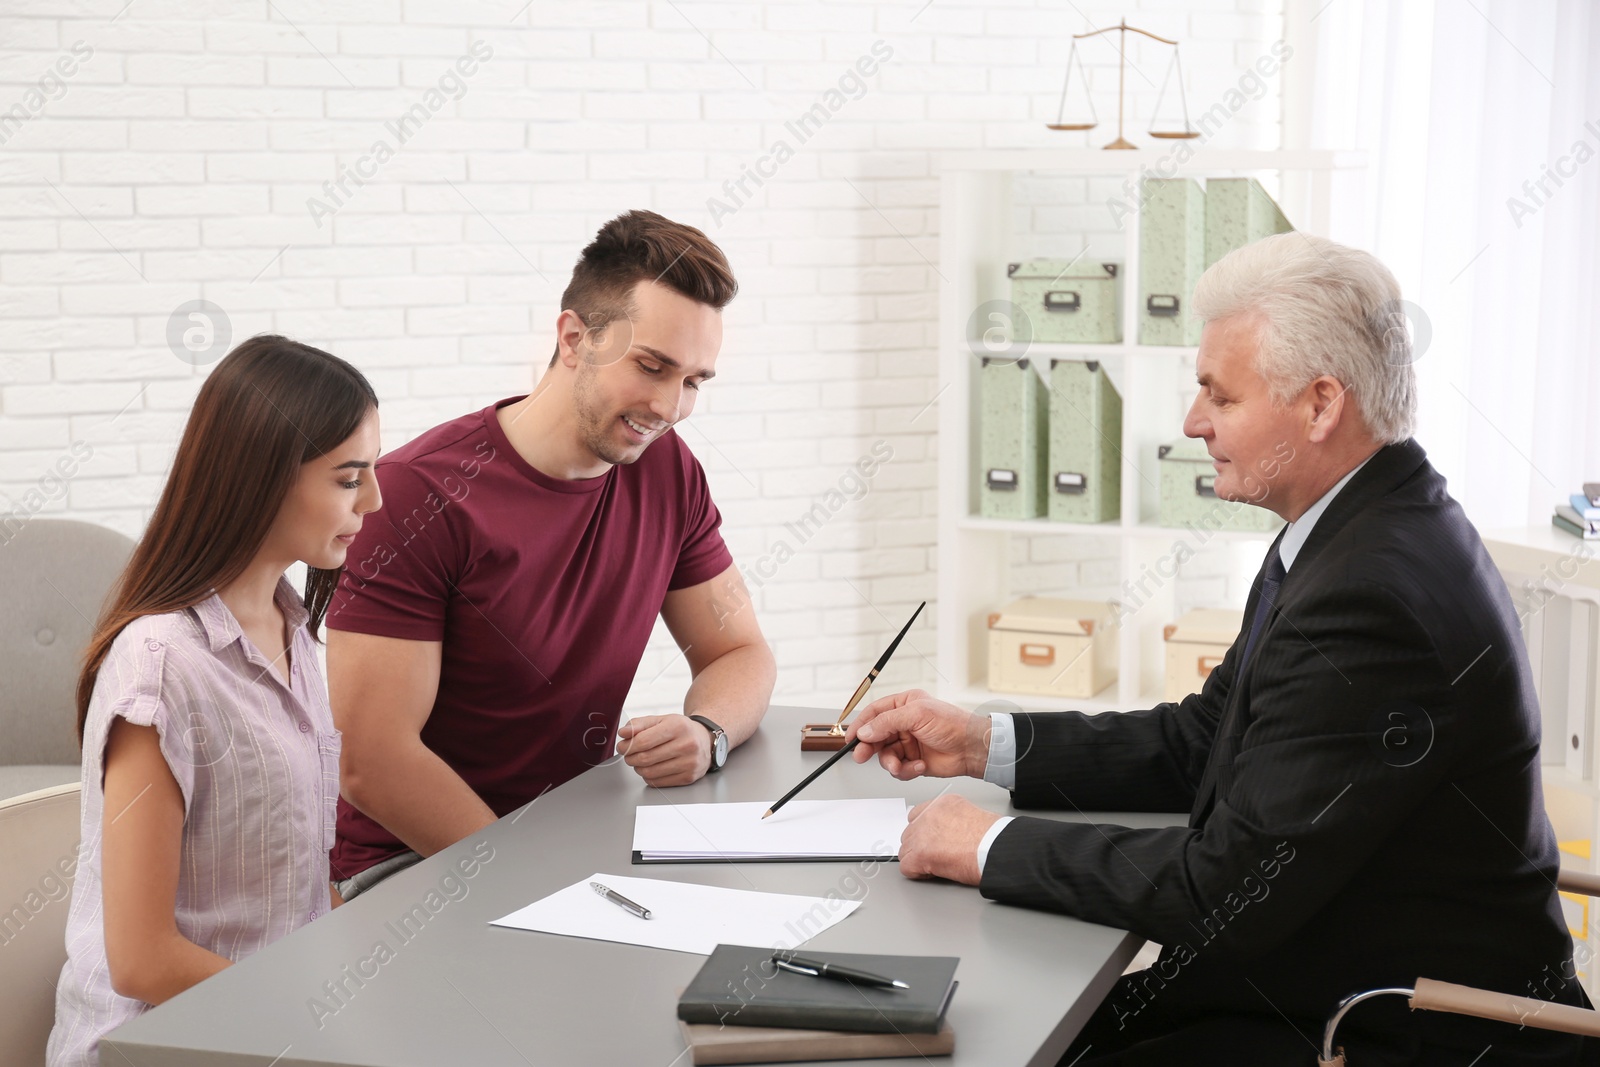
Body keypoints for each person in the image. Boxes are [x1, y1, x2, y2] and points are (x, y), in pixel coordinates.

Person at [847, 234, 1589, 1065]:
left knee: (999, 1042)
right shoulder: (1346, 529)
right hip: (1321, 982)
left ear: (1319, 405)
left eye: (1218, 395)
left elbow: (1225, 888)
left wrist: (986, 846)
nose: (1192, 422)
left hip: (1402, 1027)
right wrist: (986, 742)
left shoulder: (1371, 595)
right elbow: (1206, 739)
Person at [325, 209, 776, 901]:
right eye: (651, 366)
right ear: (574, 339)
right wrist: (537, 883)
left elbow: (739, 652)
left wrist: (708, 731)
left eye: (694, 380)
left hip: (571, 840)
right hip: (412, 866)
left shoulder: (667, 472)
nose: (670, 405)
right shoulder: (420, 495)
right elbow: (374, 762)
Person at [48, 337, 381, 1067]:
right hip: (165, 1040)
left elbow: (297, 886)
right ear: (262, 477)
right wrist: (309, 1025)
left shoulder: (293, 634)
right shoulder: (161, 665)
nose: (375, 501)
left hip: (264, 1019)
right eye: (350, 477)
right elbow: (141, 960)